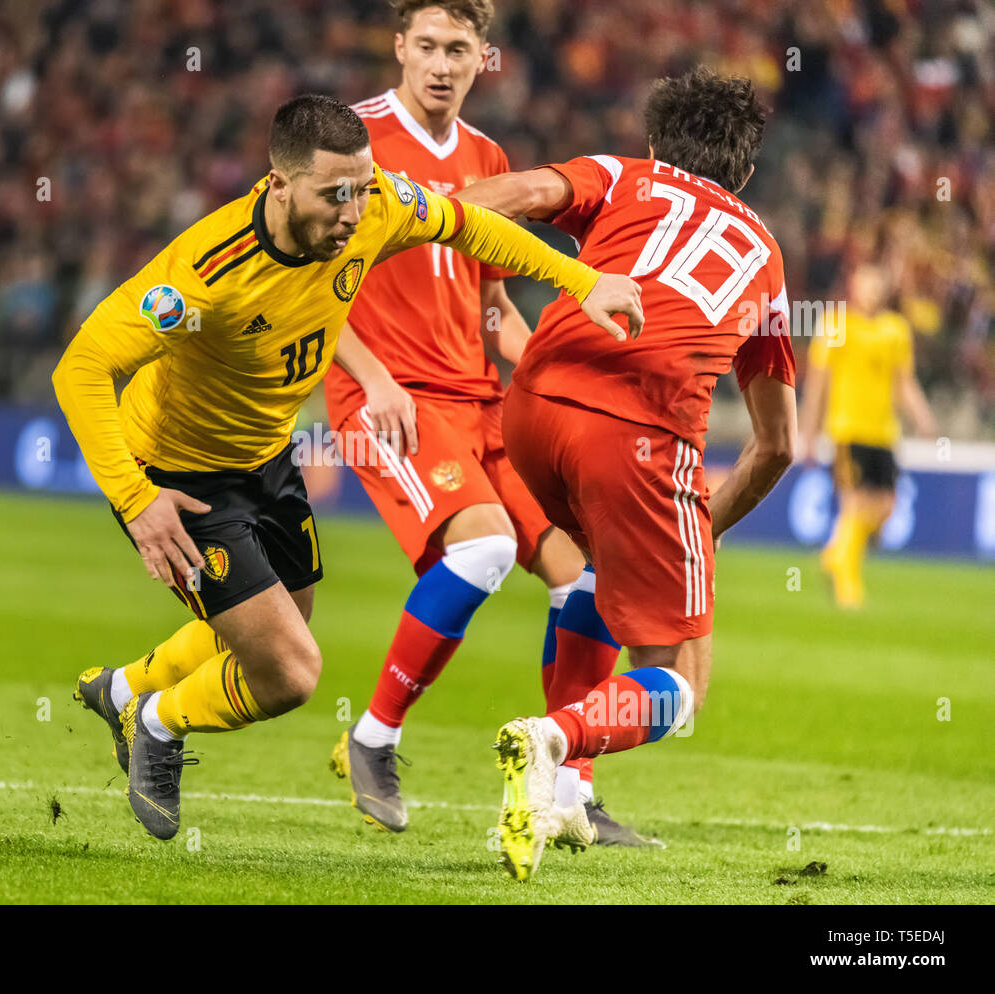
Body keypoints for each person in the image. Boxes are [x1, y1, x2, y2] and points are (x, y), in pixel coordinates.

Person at [51, 93, 642, 841]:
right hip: (182, 480)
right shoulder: (203, 273)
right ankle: (158, 724)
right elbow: (81, 369)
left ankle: (123, 690)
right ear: (278, 186)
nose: (354, 212)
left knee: (271, 627)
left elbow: (473, 226)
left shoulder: (377, 205)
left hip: (268, 459)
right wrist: (137, 501)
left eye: (362, 188)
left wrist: (580, 282)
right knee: (291, 673)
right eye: (335, 195)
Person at [457, 66, 798, 879]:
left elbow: (511, 196)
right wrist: (694, 534)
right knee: (678, 690)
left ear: (655, 141)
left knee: (590, 576)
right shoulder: (765, 255)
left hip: (533, 404)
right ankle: (554, 739)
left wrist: (430, 218)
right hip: (639, 437)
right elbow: (777, 445)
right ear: (746, 172)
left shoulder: (620, 174)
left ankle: (570, 797)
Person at [325, 0, 652, 846]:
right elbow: (302, 287)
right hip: (384, 399)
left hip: (475, 399)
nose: (440, 63)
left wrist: (571, 375)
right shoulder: (350, 144)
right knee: (484, 547)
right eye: (426, 46)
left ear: (482, 59)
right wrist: (374, 380)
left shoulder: (489, 159)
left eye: (458, 50)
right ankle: (372, 739)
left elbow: (493, 310)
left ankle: (569, 788)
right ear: (398, 47)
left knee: (589, 575)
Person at [798, 263, 938, 607]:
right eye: (865, 285)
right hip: (848, 429)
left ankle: (833, 556)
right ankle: (847, 582)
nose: (872, 292)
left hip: (884, 432)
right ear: (853, 287)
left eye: (877, 286)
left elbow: (903, 383)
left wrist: (923, 418)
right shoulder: (836, 325)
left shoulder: (896, 329)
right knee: (856, 504)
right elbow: (818, 383)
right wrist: (809, 433)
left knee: (886, 508)